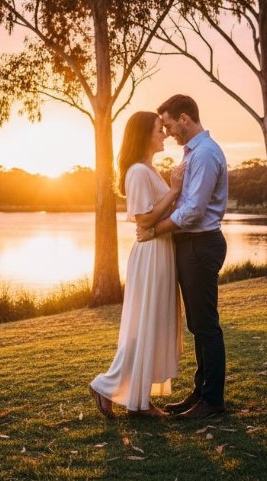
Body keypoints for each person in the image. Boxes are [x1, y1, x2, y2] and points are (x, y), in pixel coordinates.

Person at [89, 111, 186, 418]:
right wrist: (174, 190)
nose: (165, 134)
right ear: (144, 135)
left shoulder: (149, 169)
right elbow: (143, 219)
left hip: (160, 251)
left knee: (152, 325)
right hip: (151, 255)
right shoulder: (138, 172)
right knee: (145, 324)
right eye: (159, 129)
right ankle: (109, 387)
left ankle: (138, 399)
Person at [138, 94, 228, 419]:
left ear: (185, 118)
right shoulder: (193, 154)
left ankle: (212, 401)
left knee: (206, 326)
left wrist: (154, 229)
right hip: (191, 245)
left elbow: (193, 211)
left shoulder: (204, 154)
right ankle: (200, 392)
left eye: (169, 124)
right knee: (197, 325)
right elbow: (183, 202)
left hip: (200, 244)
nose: (168, 132)